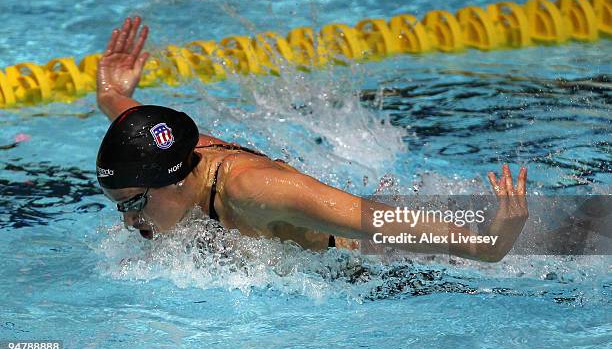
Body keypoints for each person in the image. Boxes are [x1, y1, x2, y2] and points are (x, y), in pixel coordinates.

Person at [96, 16, 529, 261]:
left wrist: (488, 243)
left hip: (398, 260)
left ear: (172, 180)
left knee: (592, 235)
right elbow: (138, 126)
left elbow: (378, 222)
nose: (129, 221)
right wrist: (113, 95)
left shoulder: (254, 190)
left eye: (133, 204)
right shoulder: (182, 154)